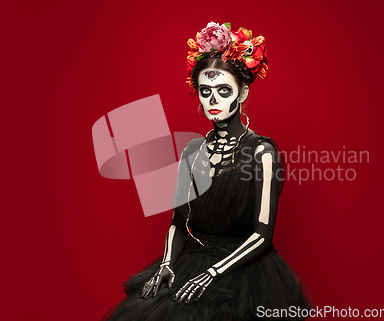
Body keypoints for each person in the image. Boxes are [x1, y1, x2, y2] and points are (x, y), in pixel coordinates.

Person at [102, 21, 313, 321]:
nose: (213, 100)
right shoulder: (193, 150)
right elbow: (178, 219)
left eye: (223, 90)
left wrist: (212, 274)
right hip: (192, 260)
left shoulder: (262, 151)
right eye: (206, 91)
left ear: (242, 93)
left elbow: (262, 235)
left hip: (242, 271)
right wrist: (166, 264)